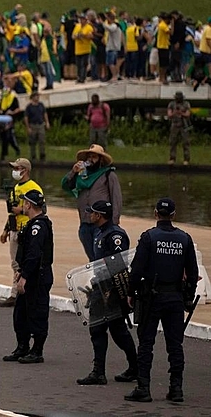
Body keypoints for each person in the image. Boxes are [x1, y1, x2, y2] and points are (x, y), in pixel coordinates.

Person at [125, 198, 199, 403]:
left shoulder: (149, 237)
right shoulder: (185, 239)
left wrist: (130, 292)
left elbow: (137, 270)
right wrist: (188, 297)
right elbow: (193, 273)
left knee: (146, 343)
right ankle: (176, 389)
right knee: (175, 345)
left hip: (152, 297)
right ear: (174, 215)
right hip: (174, 297)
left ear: (155, 213)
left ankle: (144, 387)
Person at [76, 200, 138, 386]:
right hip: (99, 286)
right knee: (98, 329)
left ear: (100, 215)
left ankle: (133, 367)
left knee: (117, 331)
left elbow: (118, 265)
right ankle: (99, 371)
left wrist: (110, 290)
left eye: (93, 213)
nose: (90, 215)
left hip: (111, 289)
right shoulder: (99, 232)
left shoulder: (115, 236)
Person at [3, 190, 53, 364]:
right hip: (28, 273)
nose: (22, 205)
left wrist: (24, 276)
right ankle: (22, 346)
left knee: (37, 312)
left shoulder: (39, 226)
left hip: (37, 277)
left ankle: (37, 350)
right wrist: (19, 270)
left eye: (24, 203)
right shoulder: (31, 224)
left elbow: (34, 254)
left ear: (29, 205)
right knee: (21, 314)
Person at [61, 144, 122, 260]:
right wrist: (73, 172)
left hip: (102, 225)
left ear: (101, 159)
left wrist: (114, 223)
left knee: (103, 258)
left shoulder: (109, 175)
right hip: (85, 223)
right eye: (89, 156)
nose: (90, 159)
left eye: (94, 157)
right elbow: (67, 185)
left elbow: (117, 199)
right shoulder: (81, 175)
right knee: (92, 258)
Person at [0, 158, 43, 307]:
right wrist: (6, 230)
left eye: (17, 168)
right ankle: (16, 292)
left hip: (27, 227)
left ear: (25, 170)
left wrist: (22, 210)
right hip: (14, 229)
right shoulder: (16, 188)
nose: (15, 171)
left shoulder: (33, 187)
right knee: (15, 263)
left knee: (25, 261)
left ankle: (19, 292)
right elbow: (12, 211)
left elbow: (41, 208)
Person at [23, 92, 49, 161]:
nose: (37, 97)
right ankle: (33, 156)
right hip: (32, 125)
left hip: (40, 125)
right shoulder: (29, 107)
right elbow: (26, 117)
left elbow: (44, 114)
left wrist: (47, 122)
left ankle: (42, 155)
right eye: (36, 96)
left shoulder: (41, 105)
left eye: (38, 96)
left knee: (42, 140)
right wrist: (28, 127)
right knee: (32, 141)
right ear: (32, 97)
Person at [166, 91, 190, 165]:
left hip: (184, 124)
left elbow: (188, 114)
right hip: (175, 124)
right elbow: (169, 115)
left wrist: (181, 113)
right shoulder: (171, 104)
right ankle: (172, 158)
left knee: (186, 142)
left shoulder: (186, 104)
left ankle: (186, 159)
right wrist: (175, 113)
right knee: (173, 141)